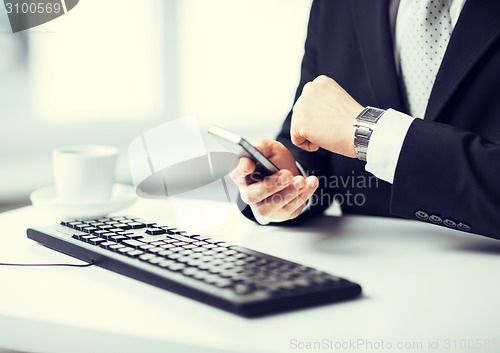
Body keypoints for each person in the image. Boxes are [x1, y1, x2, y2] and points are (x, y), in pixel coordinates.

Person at [230, 0, 500, 240]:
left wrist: (371, 133)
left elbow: (350, 127)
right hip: (360, 272)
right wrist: (288, 183)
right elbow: (312, 139)